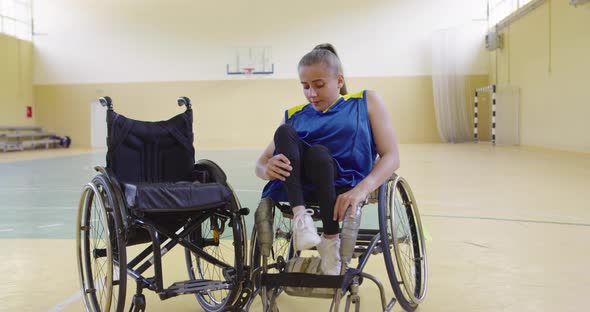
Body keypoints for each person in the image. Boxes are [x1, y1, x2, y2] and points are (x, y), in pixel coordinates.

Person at [255, 43, 400, 275]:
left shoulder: (365, 101)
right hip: (300, 189)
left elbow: (392, 156)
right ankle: (301, 218)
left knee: (319, 153)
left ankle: (330, 239)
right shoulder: (295, 115)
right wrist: (267, 169)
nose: (311, 93)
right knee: (284, 132)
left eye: (319, 85)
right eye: (305, 86)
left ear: (339, 81)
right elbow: (260, 164)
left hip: (343, 185)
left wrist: (362, 189)